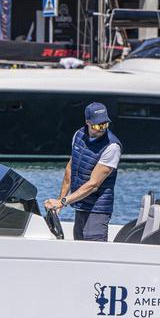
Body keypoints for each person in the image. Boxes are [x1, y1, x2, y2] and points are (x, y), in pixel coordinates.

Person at [44, 102, 122, 241]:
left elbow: (93, 184)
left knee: (93, 252)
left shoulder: (112, 147)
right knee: (78, 246)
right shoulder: (78, 135)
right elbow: (70, 169)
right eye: (98, 125)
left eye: (105, 124)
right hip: (81, 205)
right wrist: (59, 200)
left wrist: (63, 202)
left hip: (97, 210)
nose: (102, 129)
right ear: (88, 122)